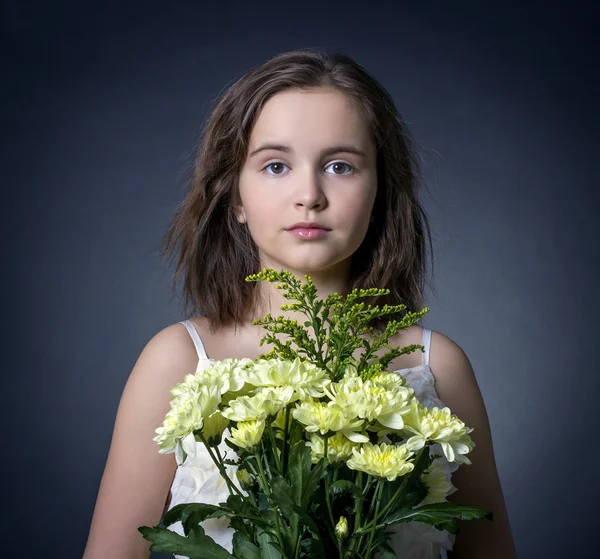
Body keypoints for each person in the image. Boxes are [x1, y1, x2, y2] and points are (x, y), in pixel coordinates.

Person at [83, 49, 517, 558]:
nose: (309, 194)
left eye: (339, 166)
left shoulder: (435, 364)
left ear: (380, 190)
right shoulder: (177, 359)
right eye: (275, 165)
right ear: (235, 197)